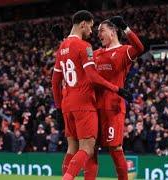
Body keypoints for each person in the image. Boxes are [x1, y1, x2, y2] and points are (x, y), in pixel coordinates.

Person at [51, 10, 131, 180]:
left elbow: (55, 81)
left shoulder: (62, 48)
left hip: (66, 104)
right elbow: (93, 77)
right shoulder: (85, 47)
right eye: (91, 27)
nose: (91, 32)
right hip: (84, 103)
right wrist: (116, 89)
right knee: (87, 148)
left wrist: (58, 107)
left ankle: (64, 175)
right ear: (83, 24)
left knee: (72, 148)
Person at [83, 16, 144, 180]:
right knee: (91, 148)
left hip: (113, 107)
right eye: (97, 32)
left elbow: (139, 47)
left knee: (115, 149)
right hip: (94, 107)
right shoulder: (95, 53)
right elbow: (79, 56)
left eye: (101, 30)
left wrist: (126, 28)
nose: (98, 34)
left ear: (113, 32)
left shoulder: (124, 51)